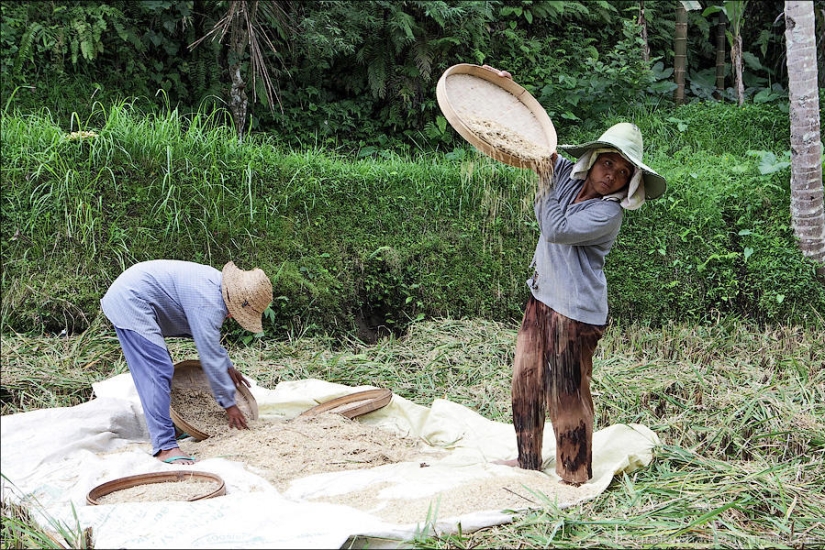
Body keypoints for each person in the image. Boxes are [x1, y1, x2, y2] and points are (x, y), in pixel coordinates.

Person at [483, 65, 667, 486]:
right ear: (593, 160)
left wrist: (547, 181)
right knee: (526, 381)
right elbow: (533, 143)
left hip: (577, 313)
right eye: (607, 163)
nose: (612, 175)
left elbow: (555, 229)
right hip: (542, 297)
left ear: (630, 182)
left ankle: (574, 475)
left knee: (564, 392)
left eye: (623, 172)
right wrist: (505, 92)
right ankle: (527, 461)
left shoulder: (608, 213)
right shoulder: (567, 173)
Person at [101, 259, 273, 464]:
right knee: (157, 370)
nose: (231, 317)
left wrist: (227, 366)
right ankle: (165, 447)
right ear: (234, 301)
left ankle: (169, 427)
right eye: (237, 313)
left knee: (159, 367)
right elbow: (208, 354)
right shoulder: (208, 301)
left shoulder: (216, 286)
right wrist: (230, 405)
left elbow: (208, 340)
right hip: (130, 301)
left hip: (135, 295)